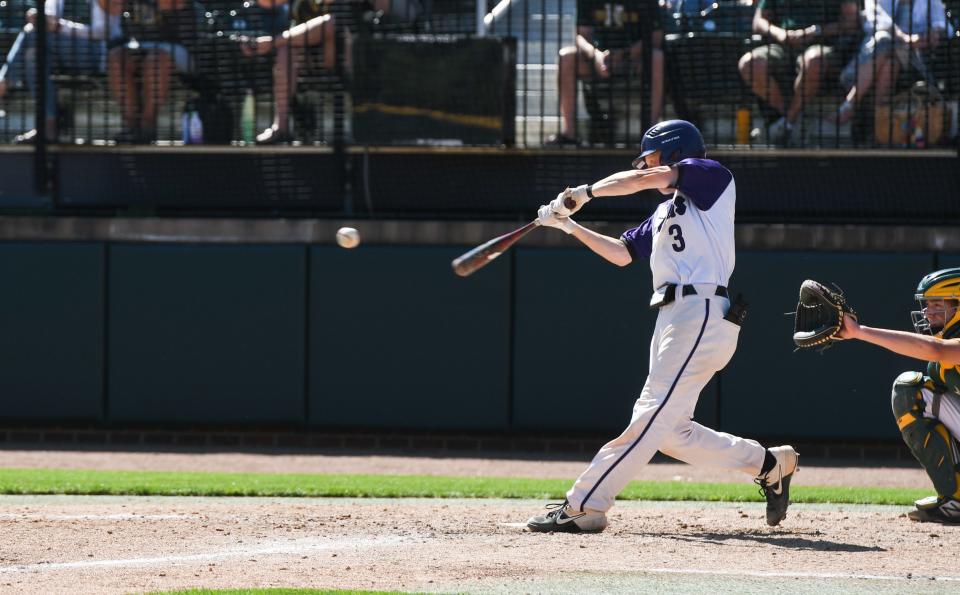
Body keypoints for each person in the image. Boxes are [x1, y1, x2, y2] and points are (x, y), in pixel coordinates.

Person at [525, 119, 798, 533]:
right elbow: (620, 253)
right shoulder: (663, 211)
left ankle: (584, 504)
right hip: (673, 316)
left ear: (672, 151)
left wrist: (582, 194)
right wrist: (568, 225)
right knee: (670, 432)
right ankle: (769, 464)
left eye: (651, 155)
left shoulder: (711, 175)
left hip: (702, 310)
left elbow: (644, 178)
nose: (645, 165)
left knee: (650, 416)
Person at [837, 268, 960, 523]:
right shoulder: (944, 351)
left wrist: (859, 331)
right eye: (927, 305)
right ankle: (955, 499)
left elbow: (934, 349)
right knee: (912, 391)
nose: (928, 312)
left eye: (937, 304)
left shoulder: (945, 348)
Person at [240, 0, 419, 144]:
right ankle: (282, 126)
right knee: (285, 52)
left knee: (332, 23)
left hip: (348, 51)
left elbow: (385, 12)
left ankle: (270, 43)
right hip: (308, 51)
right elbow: (267, 3)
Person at [737, 0, 859, 144]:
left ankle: (785, 124)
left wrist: (816, 31)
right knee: (749, 64)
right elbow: (758, 21)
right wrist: (780, 33)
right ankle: (790, 120)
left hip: (824, 45)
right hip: (781, 46)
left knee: (814, 61)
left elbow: (851, 23)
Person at [545, 0, 664, 146]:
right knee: (566, 58)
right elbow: (581, 36)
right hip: (597, 59)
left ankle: (651, 134)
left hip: (634, 58)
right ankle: (570, 132)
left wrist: (624, 54)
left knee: (657, 58)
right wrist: (596, 55)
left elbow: (656, 37)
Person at [0, 0, 121, 143]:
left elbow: (105, 31)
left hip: (98, 52)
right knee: (32, 54)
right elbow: (49, 22)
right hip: (59, 50)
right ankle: (49, 123)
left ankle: (3, 85)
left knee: (32, 34)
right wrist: (40, 19)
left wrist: (61, 27)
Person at [833, 0, 949, 125]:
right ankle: (876, 120)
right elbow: (878, 23)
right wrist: (905, 39)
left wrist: (933, 35)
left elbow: (943, 26)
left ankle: (850, 105)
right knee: (888, 50)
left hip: (914, 60)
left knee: (888, 45)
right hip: (877, 55)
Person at [103, 0, 196, 142]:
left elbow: (172, 4)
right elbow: (110, 7)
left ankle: (148, 124)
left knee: (155, 60)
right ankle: (131, 125)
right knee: (116, 58)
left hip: (175, 45)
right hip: (136, 44)